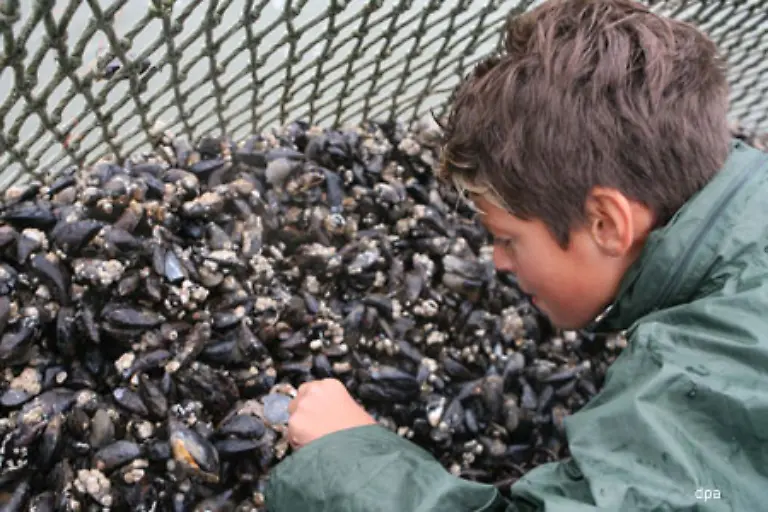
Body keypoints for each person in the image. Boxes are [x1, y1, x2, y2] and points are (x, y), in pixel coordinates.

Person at [264, 0, 768, 509]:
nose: (498, 262)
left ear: (607, 224)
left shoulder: (706, 376)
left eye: (507, 238)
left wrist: (350, 461)